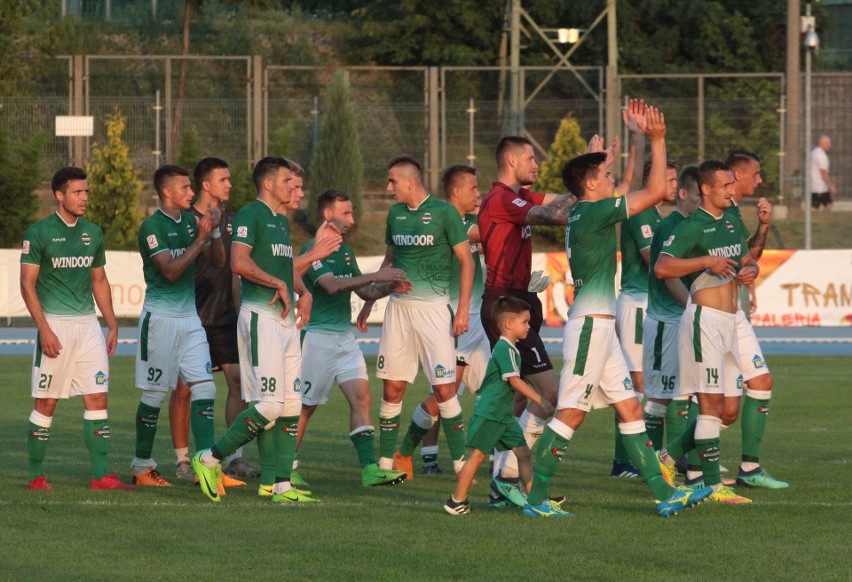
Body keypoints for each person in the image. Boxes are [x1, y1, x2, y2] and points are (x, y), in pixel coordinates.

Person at [525, 101, 712, 517]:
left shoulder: (584, 209)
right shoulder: (593, 212)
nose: (613, 179)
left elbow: (626, 190)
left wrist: (623, 148)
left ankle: (664, 496)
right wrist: (656, 139)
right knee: (571, 414)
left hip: (601, 328)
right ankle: (534, 498)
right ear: (591, 186)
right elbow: (656, 192)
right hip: (592, 327)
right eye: (606, 175)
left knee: (630, 408)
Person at [192, 157, 315, 504]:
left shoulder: (279, 220)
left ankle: (280, 486)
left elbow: (284, 264)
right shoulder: (251, 214)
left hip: (286, 321)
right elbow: (238, 263)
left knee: (291, 406)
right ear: (268, 184)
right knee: (271, 406)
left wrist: (303, 293)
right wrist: (276, 282)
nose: (293, 186)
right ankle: (209, 458)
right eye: (287, 180)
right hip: (261, 319)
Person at [356, 155, 474, 478]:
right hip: (398, 310)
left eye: (392, 181)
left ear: (410, 181)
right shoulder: (394, 215)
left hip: (435, 311)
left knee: (445, 390)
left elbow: (467, 261)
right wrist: (369, 301)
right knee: (392, 389)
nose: (388, 187)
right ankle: (385, 466)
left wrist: (461, 309)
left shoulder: (444, 213)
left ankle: (461, 467)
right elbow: (389, 260)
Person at [20, 166, 134, 491]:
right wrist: (43, 329)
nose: (84, 197)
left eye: (86, 191)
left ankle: (101, 475)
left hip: (88, 327)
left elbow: (99, 279)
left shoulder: (93, 233)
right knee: (47, 403)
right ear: (59, 195)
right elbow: (27, 285)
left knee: (98, 397)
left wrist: (112, 324)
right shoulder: (39, 233)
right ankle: (35, 475)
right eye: (77, 192)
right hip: (54, 325)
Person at [655, 159, 761, 504]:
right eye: (726, 185)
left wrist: (751, 271)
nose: (733, 190)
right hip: (704, 322)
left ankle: (667, 457)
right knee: (710, 404)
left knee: (728, 410)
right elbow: (662, 267)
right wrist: (705, 262)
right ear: (706, 190)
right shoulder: (691, 226)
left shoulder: (731, 220)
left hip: (731, 322)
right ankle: (712, 485)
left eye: (733, 184)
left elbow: (747, 262)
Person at [296, 188, 410, 487]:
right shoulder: (312, 250)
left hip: (344, 339)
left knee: (362, 399)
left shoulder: (345, 251)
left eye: (352, 212)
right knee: (305, 407)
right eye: (345, 213)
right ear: (327, 214)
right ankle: (288, 468)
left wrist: (388, 288)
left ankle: (369, 470)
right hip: (316, 339)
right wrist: (375, 276)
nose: (351, 218)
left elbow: (363, 291)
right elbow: (332, 286)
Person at [391, 164, 490, 477]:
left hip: (478, 320)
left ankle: (491, 458)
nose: (479, 193)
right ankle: (415, 453)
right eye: (474, 188)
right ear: (457, 192)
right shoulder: (444, 219)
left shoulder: (471, 222)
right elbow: (491, 233)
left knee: (482, 391)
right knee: (446, 392)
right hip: (449, 317)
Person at [131, 165, 224, 487]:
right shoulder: (151, 227)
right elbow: (169, 272)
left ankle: (205, 464)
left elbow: (219, 262)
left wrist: (213, 233)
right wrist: (200, 239)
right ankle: (142, 466)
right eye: (185, 188)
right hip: (159, 321)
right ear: (167, 192)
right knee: (155, 395)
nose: (190, 193)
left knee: (206, 387)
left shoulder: (192, 221)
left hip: (189, 319)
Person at [168, 157, 257, 482]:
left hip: (225, 317)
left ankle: (234, 458)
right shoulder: (185, 220)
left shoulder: (233, 221)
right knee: (184, 389)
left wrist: (241, 316)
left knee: (238, 384)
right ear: (206, 185)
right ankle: (182, 460)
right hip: (191, 317)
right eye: (224, 179)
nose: (230, 185)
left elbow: (235, 271)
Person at [444, 296, 554, 515]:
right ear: (508, 324)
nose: (528, 326)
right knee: (477, 456)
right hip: (492, 413)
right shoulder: (505, 349)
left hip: (503, 415)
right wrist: (540, 399)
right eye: (524, 322)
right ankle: (456, 501)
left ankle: (535, 502)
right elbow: (514, 380)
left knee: (523, 453)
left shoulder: (511, 348)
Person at [720, 149, 788, 489]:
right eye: (756, 174)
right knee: (728, 403)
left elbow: (749, 257)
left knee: (735, 405)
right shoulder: (715, 213)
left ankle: (747, 468)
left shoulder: (732, 213)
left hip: (735, 314)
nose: (760, 180)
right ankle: (674, 459)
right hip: (715, 315)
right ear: (737, 175)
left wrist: (763, 225)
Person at [611, 158, 678, 478]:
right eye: (670, 178)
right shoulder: (640, 214)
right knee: (635, 386)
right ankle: (624, 462)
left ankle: (651, 458)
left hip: (648, 306)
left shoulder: (655, 213)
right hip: (636, 304)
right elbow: (654, 261)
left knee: (650, 386)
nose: (674, 185)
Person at [641, 165, 702, 454]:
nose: (703, 200)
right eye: (699, 194)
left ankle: (679, 459)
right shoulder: (671, 225)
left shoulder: (696, 225)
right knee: (660, 396)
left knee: (684, 394)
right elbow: (667, 273)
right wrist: (694, 306)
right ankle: (657, 463)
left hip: (683, 318)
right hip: (666, 321)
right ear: (683, 194)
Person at [810, 135, 835, 210]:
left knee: (816, 206)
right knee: (828, 205)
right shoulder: (821, 155)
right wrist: (831, 185)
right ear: (823, 143)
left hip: (813, 185)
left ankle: (811, 220)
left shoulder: (813, 152)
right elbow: (823, 172)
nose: (830, 146)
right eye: (828, 143)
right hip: (820, 187)